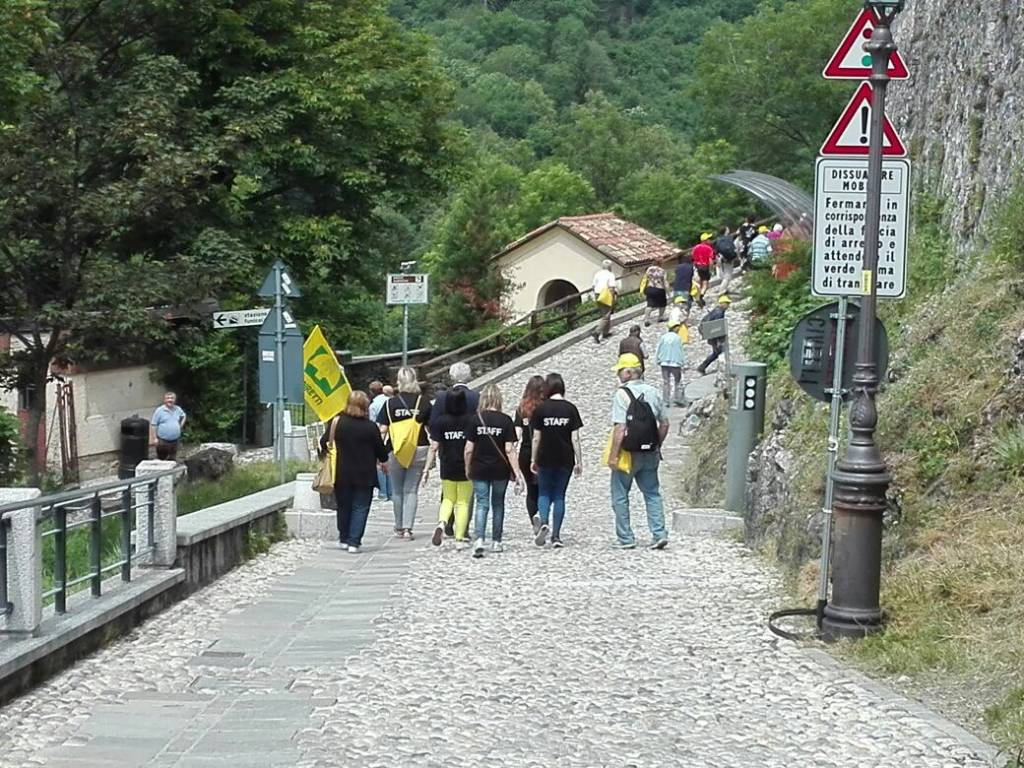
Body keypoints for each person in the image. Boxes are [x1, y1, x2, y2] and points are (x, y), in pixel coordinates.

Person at [606, 354, 670, 550]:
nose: (618, 375)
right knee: (652, 493)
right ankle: (659, 534)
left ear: (628, 372)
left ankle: (626, 538)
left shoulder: (622, 395)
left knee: (620, 494)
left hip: (628, 453)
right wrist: (656, 445)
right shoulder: (654, 392)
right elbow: (665, 423)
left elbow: (620, 429)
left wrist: (613, 455)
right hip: (650, 452)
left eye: (619, 371)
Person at [319, 391, 388, 554]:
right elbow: (381, 450)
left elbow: (323, 442)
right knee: (361, 507)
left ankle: (343, 538)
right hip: (365, 474)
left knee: (343, 506)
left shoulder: (337, 423)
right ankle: (354, 541)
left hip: (341, 472)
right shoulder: (370, 427)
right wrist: (384, 463)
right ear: (365, 406)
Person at [465, 383, 523, 558]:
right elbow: (509, 449)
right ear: (498, 399)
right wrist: (517, 472)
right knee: (498, 504)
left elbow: (468, 449)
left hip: (479, 468)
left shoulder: (475, 420)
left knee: (482, 504)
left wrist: (467, 467)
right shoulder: (505, 420)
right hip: (500, 469)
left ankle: (479, 540)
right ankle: (497, 541)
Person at [377, 366, 431, 539]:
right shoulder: (423, 402)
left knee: (397, 491)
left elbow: (382, 430)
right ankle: (409, 528)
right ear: (415, 380)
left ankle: (399, 526)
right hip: (419, 448)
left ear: (398, 382)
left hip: (396, 449)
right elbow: (431, 428)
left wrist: (378, 454)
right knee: (411, 490)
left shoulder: (390, 403)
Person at [530, 373, 583, 549]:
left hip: (545, 456)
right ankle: (556, 537)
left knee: (544, 492)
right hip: (565, 458)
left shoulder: (541, 409)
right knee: (560, 495)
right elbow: (575, 438)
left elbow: (536, 437)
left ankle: (543, 521)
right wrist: (579, 460)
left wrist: (533, 458)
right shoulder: (570, 409)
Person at [423, 389, 472, 551]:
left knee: (448, 498)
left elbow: (434, 446)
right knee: (463, 502)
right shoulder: (471, 421)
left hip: (447, 464)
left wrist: (426, 469)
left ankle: (442, 522)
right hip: (465, 466)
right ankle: (459, 537)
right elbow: (471, 448)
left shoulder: (440, 422)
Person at [514, 376, 546, 530]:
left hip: (525, 454)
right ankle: (542, 515)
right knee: (544, 488)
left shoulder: (521, 409)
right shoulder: (546, 408)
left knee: (531, 490)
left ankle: (534, 520)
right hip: (543, 452)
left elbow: (517, 435)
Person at [429, 362, 479, 430]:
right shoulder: (476, 396)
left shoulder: (442, 397)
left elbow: (433, 422)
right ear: (469, 376)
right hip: (470, 436)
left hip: (447, 436)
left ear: (451, 377)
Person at [367, 381, 392, 502]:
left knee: (378, 464)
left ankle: (383, 493)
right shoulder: (390, 401)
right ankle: (391, 492)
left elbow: (373, 424)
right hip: (392, 436)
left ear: (371, 392)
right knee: (389, 462)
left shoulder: (373, 406)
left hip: (379, 435)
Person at [697, 295, 731, 375]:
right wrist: (718, 340)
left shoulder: (717, 310)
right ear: (723, 304)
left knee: (717, 352)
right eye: (727, 303)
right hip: (712, 335)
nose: (728, 305)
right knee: (717, 352)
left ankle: (703, 367)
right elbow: (717, 327)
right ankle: (702, 367)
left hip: (709, 332)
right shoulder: (719, 313)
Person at [655, 323, 687, 408]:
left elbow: (658, 348)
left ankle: (666, 401)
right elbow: (680, 351)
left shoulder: (664, 337)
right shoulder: (677, 338)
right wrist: (683, 363)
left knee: (666, 382)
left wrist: (657, 360)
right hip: (675, 362)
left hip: (664, 362)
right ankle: (678, 398)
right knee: (678, 381)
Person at [150, 392, 186, 461]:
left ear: (175, 400)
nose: (170, 400)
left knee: (172, 460)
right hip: (163, 441)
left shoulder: (178, 409)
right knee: (162, 460)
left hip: (175, 441)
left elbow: (184, 415)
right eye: (168, 398)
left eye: (172, 398)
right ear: (164, 400)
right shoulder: (159, 410)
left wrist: (180, 426)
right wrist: (155, 438)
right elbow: (153, 424)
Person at [591, 259, 618, 343]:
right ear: (610, 267)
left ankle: (605, 332)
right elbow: (612, 288)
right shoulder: (610, 275)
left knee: (605, 313)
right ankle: (597, 332)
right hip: (606, 295)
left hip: (597, 294)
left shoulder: (597, 274)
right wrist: (613, 298)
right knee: (606, 316)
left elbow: (593, 286)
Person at [713, 226, 739, 294]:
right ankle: (721, 290)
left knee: (724, 275)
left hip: (721, 259)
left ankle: (725, 289)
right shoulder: (729, 238)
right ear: (726, 231)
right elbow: (733, 248)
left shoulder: (718, 240)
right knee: (728, 276)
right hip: (728, 259)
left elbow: (716, 251)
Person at [642, 261, 668, 326]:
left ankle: (646, 319)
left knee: (649, 304)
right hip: (659, 288)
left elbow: (646, 278)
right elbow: (664, 281)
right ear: (660, 263)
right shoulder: (662, 271)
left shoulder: (649, 269)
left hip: (650, 288)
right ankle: (660, 317)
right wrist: (667, 290)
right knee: (663, 304)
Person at [692, 234, 715, 308]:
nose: (710, 240)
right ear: (705, 240)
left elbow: (693, 258)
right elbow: (710, 261)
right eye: (709, 239)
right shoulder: (709, 248)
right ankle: (701, 297)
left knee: (699, 283)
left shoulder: (695, 248)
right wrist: (711, 270)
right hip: (705, 267)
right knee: (705, 284)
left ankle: (698, 296)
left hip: (697, 267)